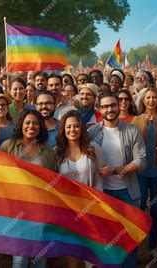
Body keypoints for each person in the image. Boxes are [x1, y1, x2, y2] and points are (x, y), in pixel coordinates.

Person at [88, 91, 146, 267]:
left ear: (118, 105)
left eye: (113, 105)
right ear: (100, 109)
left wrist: (115, 170)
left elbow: (141, 160)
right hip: (102, 193)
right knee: (105, 236)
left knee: (130, 235)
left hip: (128, 191)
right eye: (105, 106)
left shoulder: (132, 130)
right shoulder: (91, 132)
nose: (110, 109)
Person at [0, 110, 57, 268]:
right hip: (17, 211)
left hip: (41, 211)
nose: (31, 126)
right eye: (27, 123)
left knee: (40, 258)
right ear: (21, 125)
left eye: (35, 123)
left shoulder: (48, 152)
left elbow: (55, 180)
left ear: (40, 127)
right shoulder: (8, 146)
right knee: (19, 259)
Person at [55, 110, 105, 267]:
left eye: (76, 126)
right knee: (72, 247)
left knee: (91, 248)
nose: (72, 130)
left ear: (82, 128)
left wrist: (97, 204)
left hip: (90, 206)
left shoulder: (94, 149)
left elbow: (99, 178)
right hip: (68, 208)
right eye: (68, 126)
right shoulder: (57, 152)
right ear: (63, 129)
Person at [131, 88, 157, 258]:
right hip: (141, 171)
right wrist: (147, 124)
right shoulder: (137, 119)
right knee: (139, 209)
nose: (151, 101)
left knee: (156, 211)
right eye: (148, 98)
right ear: (143, 101)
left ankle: (152, 248)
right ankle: (135, 247)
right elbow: (138, 144)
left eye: (154, 97)